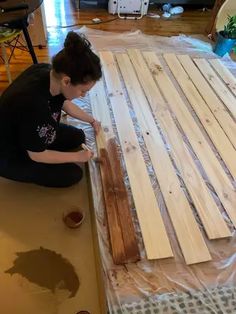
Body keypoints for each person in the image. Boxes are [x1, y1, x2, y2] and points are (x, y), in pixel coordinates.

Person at [0, 31, 102, 187]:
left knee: (78, 137)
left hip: (29, 130)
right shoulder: (33, 105)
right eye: (83, 91)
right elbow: (36, 155)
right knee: (73, 174)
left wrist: (92, 120)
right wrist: (77, 157)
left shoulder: (49, 73)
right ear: (66, 81)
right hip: (11, 153)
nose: (83, 96)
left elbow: (64, 103)